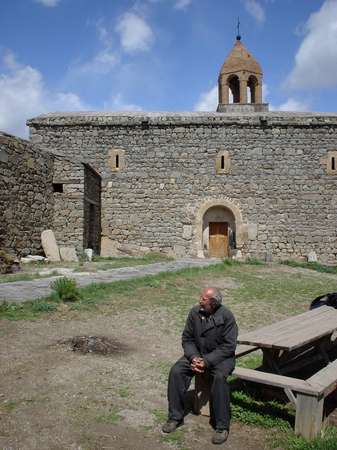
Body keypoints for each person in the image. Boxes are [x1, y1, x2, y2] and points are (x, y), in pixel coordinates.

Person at [162, 287, 238, 445]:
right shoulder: (194, 313)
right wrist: (194, 357)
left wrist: (207, 361)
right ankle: (175, 417)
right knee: (176, 371)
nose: (199, 301)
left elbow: (229, 346)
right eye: (201, 298)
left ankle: (222, 426)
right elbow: (187, 338)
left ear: (214, 303)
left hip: (221, 358)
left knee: (219, 377)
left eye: (204, 299)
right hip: (197, 354)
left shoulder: (226, 316)